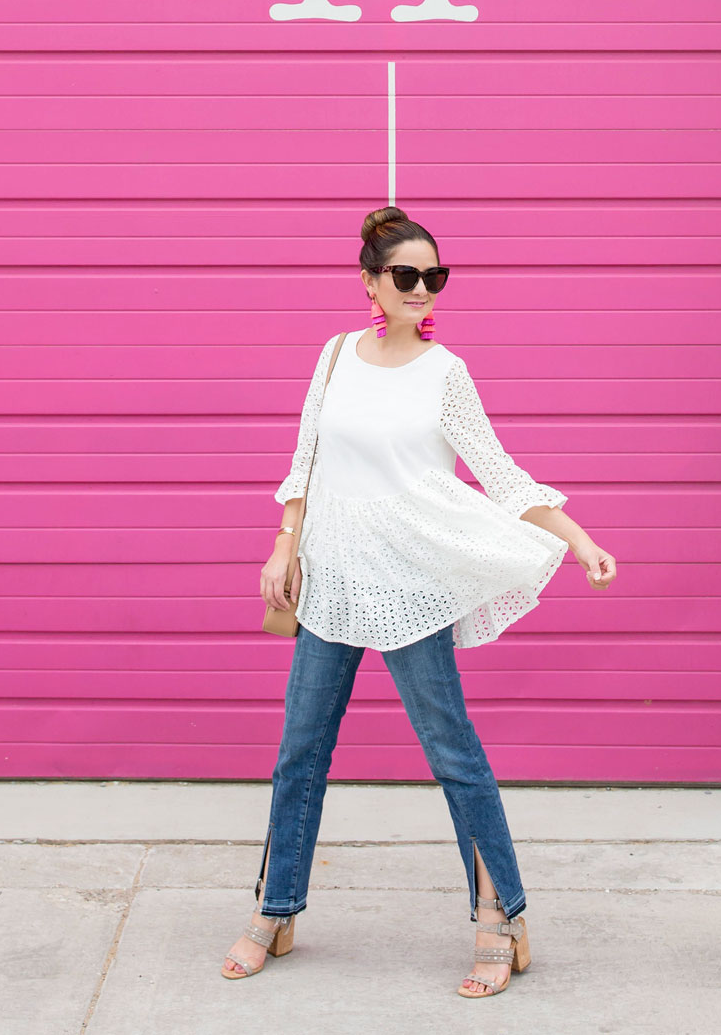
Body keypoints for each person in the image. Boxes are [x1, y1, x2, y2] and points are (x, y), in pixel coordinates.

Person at [221, 206, 617, 997]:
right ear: (369, 281)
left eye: (434, 277)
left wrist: (575, 536)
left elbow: (500, 475)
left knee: (453, 757)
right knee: (299, 754)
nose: (422, 289)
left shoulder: (446, 373)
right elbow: (306, 461)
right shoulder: (335, 357)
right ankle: (277, 908)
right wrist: (282, 544)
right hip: (331, 581)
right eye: (406, 275)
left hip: (409, 590)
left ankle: (500, 916)